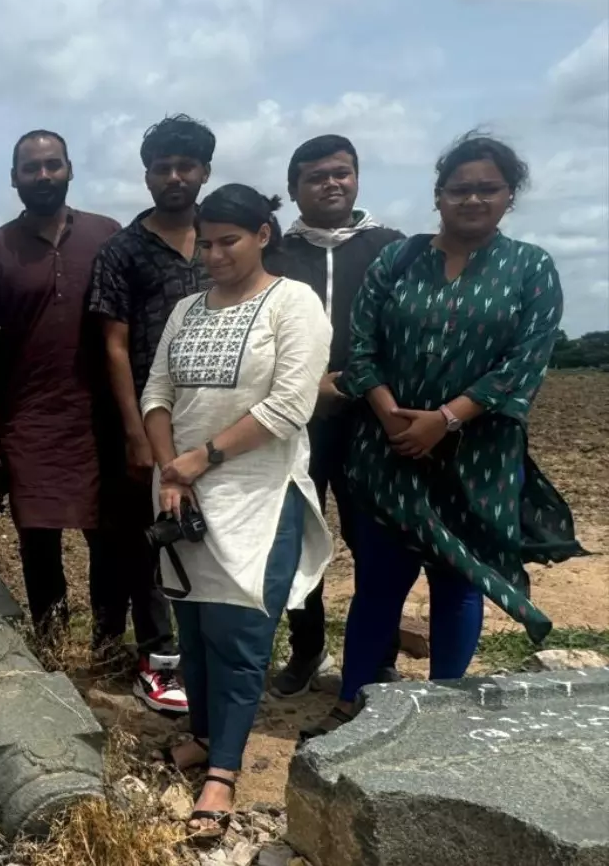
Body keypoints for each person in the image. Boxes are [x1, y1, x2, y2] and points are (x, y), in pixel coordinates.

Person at [303, 132, 583, 741]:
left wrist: (444, 420)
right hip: (387, 450)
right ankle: (352, 704)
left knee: (459, 582)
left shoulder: (530, 268)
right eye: (460, 188)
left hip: (476, 456)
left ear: (509, 196)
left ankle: (444, 713)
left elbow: (523, 363)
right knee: (379, 580)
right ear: (438, 195)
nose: (473, 199)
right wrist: (389, 414)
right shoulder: (398, 259)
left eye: (488, 188)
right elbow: (362, 347)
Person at [141, 185, 333, 840]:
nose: (216, 253)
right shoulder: (187, 309)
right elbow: (157, 391)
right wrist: (173, 468)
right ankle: (202, 733)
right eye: (207, 241)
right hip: (181, 493)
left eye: (231, 240)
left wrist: (203, 459)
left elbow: (288, 406)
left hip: (257, 493)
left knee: (241, 638)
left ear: (262, 235)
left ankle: (223, 768)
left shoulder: (292, 304)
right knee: (192, 626)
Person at [0, 130, 121, 643]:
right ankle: (50, 644)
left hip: (101, 421)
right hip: (28, 422)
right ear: (15, 179)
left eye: (53, 164)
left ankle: (108, 642)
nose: (44, 175)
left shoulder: (107, 236)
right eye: (31, 168)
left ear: (70, 169)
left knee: (109, 536)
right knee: (38, 541)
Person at [264, 134, 407, 698]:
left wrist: (361, 386)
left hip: (373, 423)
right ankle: (307, 647)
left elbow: (406, 334)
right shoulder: (276, 254)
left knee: (375, 540)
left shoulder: (392, 249)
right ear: (295, 187)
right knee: (300, 540)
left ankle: (379, 655)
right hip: (297, 424)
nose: (332, 183)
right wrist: (304, 389)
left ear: (357, 178)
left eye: (342, 173)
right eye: (317, 175)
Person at [88, 114, 219, 715]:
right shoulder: (123, 251)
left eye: (185, 166)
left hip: (219, 417)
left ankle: (213, 655)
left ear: (204, 172)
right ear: (146, 176)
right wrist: (135, 431)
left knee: (217, 539)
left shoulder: (223, 239)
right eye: (162, 166)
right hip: (153, 419)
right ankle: (159, 660)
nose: (174, 176)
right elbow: (112, 344)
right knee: (153, 545)